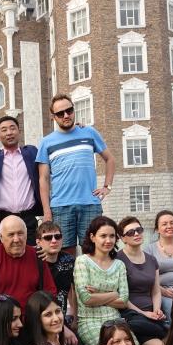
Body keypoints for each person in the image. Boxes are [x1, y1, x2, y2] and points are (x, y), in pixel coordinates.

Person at [36, 94, 116, 253]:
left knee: (94, 252)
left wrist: (107, 187)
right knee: (64, 254)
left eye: (69, 110)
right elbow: (43, 179)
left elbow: (110, 159)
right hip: (60, 206)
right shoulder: (46, 142)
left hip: (90, 204)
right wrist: (47, 212)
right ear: (53, 117)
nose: (66, 115)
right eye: (60, 113)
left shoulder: (89, 132)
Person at [115, 216, 167, 345]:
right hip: (132, 315)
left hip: (152, 315)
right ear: (123, 238)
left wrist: (156, 310)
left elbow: (155, 290)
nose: (136, 234)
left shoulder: (151, 260)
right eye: (131, 232)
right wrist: (144, 313)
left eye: (139, 230)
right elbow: (120, 296)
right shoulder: (118, 260)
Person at [0, 215, 56, 312]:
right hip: (4, 318)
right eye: (11, 235)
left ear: (26, 235)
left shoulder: (37, 255)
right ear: (1, 237)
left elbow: (50, 291)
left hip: (34, 317)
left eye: (20, 233)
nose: (16, 239)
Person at [72, 216, 129, 345]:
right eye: (103, 236)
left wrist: (98, 294)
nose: (108, 240)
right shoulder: (82, 261)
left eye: (112, 236)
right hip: (89, 321)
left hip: (116, 321)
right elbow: (86, 299)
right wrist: (114, 294)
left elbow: (124, 301)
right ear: (93, 237)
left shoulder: (119, 265)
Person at [0, 115, 41, 242]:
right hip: (2, 218)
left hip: (28, 217)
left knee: (30, 251)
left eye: (12, 128)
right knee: (4, 253)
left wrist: (73, 131)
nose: (9, 133)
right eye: (4, 130)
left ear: (19, 131)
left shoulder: (32, 153)